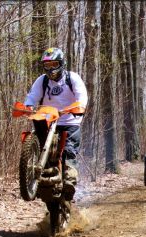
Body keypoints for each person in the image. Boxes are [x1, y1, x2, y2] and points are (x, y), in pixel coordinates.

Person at [24, 47, 88, 201]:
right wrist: (28, 106)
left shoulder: (72, 78)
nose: (51, 68)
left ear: (61, 63)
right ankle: (33, 168)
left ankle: (69, 180)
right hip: (49, 120)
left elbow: (82, 96)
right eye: (47, 65)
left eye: (54, 64)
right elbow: (33, 96)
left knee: (68, 149)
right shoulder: (42, 80)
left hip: (69, 120)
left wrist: (79, 107)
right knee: (36, 131)